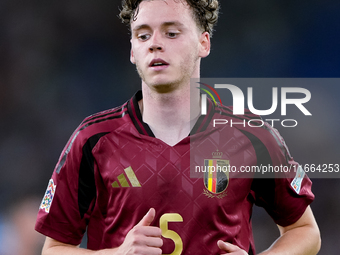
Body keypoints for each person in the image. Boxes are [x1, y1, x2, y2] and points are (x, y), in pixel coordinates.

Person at [35, 0, 321, 254]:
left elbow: (305, 231)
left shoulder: (252, 135)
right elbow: (54, 248)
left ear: (203, 43)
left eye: (171, 33)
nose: (154, 43)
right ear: (133, 51)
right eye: (143, 35)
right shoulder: (93, 140)